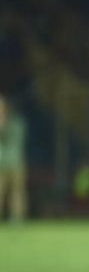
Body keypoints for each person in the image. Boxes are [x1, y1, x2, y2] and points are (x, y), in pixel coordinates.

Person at [0, 92, 28, 223]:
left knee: (17, 192)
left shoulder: (16, 122)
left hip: (15, 162)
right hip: (1, 162)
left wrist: (3, 124)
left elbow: (16, 139)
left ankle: (16, 218)